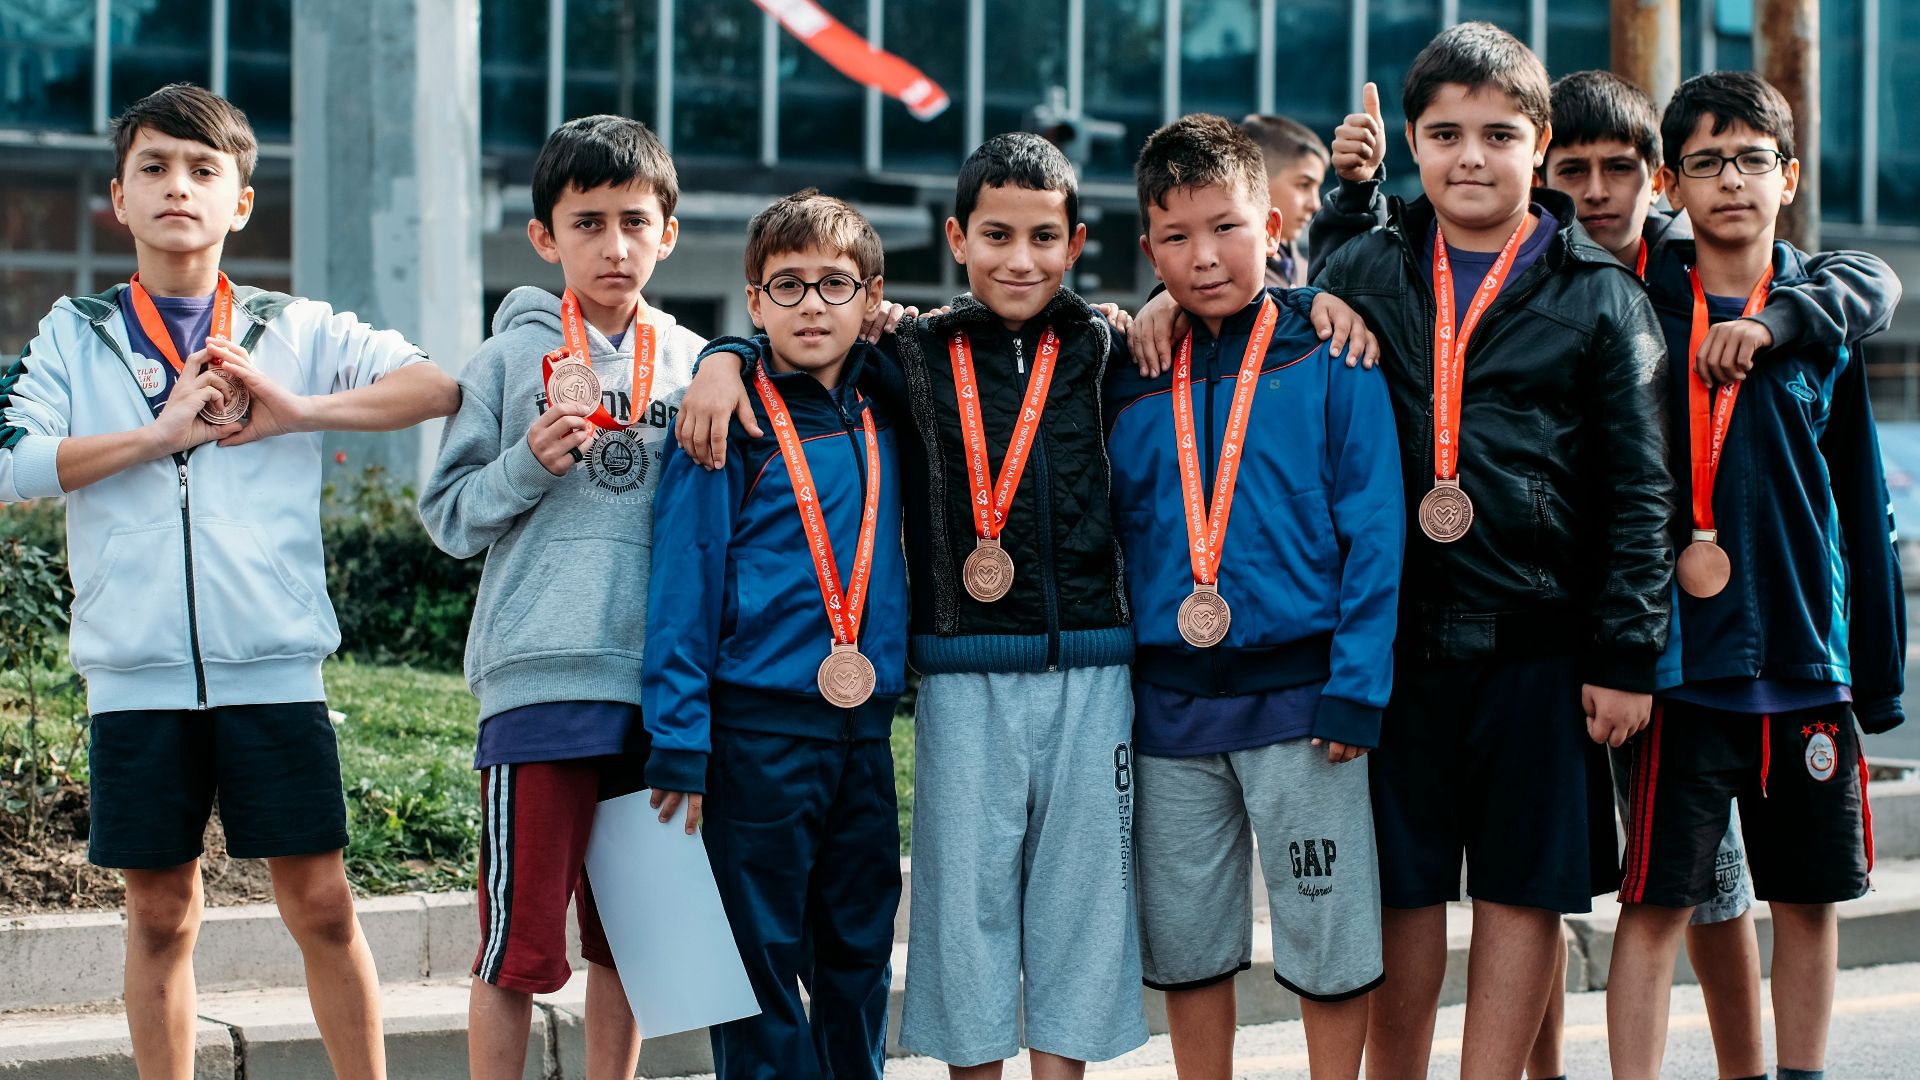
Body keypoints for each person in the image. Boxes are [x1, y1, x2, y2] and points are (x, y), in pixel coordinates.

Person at [1135, 23, 1674, 1076]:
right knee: (1404, 886)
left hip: (1540, 640)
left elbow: (1639, 489)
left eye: (1498, 133)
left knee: (1525, 886)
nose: (1470, 156)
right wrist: (1165, 301)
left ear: (1540, 141)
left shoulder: (1598, 288)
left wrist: (1626, 651)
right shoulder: (1367, 267)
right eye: (1444, 133)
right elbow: (1255, 304)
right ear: (1416, 146)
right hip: (1401, 645)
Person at [0, 82, 459, 1080]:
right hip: (136, 674)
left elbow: (434, 386)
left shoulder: (293, 328)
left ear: (239, 200)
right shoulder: (73, 333)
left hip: (274, 671)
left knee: (324, 902)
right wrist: (157, 437)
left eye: (204, 170)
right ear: (117, 199)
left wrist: (295, 412)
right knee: (160, 912)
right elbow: (10, 463)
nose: (178, 186)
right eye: (154, 167)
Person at [1526, 68, 1905, 1080]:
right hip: (1679, 670)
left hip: (1802, 661)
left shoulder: (1822, 321)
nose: (1729, 179)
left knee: (1806, 903)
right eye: (1707, 162)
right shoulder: (1636, 301)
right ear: (1674, 185)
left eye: (1750, 160)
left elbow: (1862, 507)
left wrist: (1878, 671)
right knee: (1657, 904)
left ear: (1788, 175)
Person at [1107, 112, 1402, 1080]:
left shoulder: (1333, 353)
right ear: (1148, 248)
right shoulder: (1131, 376)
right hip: (1172, 713)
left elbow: (1375, 531)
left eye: (1227, 227)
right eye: (1178, 237)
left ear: (1273, 225)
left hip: (1307, 705)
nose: (1204, 257)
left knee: (1328, 934)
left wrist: (1357, 684)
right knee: (1189, 946)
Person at [417, 114, 704, 1080]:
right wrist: (523, 465)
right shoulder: (503, 364)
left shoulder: (703, 365)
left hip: (662, 695)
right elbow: (450, 517)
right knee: (518, 947)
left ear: (668, 230)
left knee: (628, 945)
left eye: (635, 221)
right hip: (539, 687)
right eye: (588, 222)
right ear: (546, 237)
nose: (614, 246)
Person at [641, 189, 909, 1080]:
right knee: (756, 966)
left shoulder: (896, 404)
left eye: (835, 285)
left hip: (863, 734)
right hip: (754, 735)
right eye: (785, 286)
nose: (811, 306)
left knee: (859, 955)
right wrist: (679, 740)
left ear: (871, 299)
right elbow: (683, 586)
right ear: (752, 302)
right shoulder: (725, 418)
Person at [1239, 113, 1331, 287]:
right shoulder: (1227, 274)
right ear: (1259, 178)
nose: (1315, 204)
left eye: (1317, 188)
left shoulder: (1311, 273)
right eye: (1304, 185)